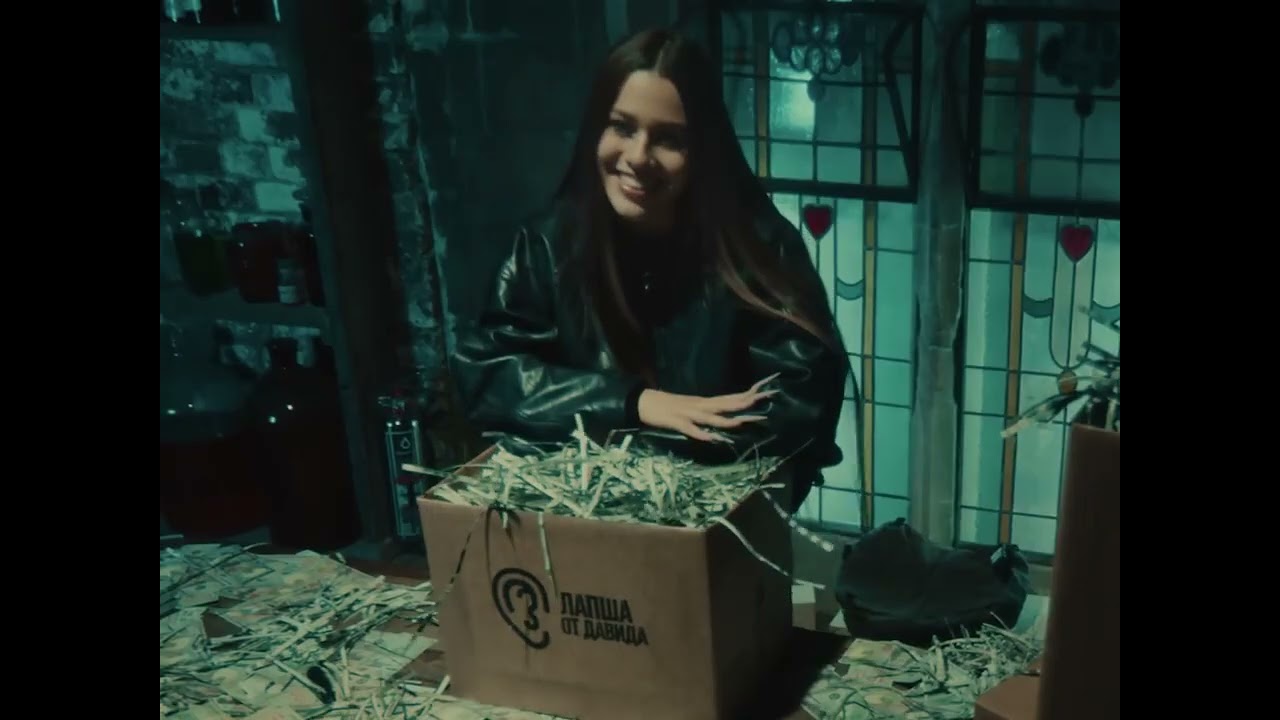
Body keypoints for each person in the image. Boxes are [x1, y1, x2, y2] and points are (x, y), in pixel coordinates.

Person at [452, 28, 851, 512]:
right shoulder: (545, 247)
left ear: (702, 150)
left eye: (668, 139)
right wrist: (635, 404)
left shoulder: (758, 249)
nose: (639, 157)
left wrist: (658, 453)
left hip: (717, 520)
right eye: (622, 127)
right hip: (579, 523)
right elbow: (488, 376)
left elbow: (800, 403)